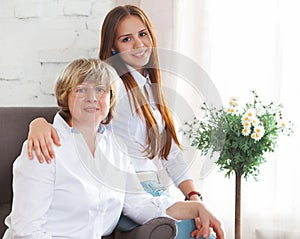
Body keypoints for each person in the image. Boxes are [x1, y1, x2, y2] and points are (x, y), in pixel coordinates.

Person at [27, 5, 221, 239]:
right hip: (128, 193)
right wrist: (38, 123)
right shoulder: (113, 87)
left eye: (142, 34)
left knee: (206, 229)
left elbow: (171, 153)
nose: (139, 44)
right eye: (126, 39)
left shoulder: (149, 86)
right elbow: (79, 117)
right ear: (113, 47)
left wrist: (193, 196)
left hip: (147, 193)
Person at [3, 58, 225, 239]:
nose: (92, 98)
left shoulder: (115, 149)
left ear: (111, 99)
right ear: (66, 96)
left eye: (101, 90)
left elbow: (140, 205)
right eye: (81, 90)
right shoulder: (43, 146)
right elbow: (27, 232)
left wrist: (197, 208)